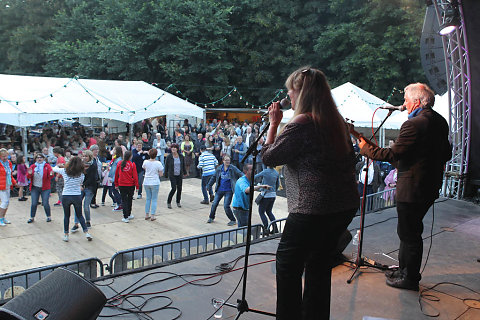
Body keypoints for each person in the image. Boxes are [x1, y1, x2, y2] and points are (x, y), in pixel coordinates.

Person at [262, 67, 359, 319]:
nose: (289, 96)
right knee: (318, 264)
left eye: (291, 91)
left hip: (313, 208)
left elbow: (270, 157)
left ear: (301, 93)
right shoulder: (336, 121)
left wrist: (273, 124)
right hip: (342, 206)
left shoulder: (302, 122)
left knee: (287, 264)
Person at [357, 82, 451, 291]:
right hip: (429, 186)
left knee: (409, 234)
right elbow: (446, 154)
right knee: (410, 231)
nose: (404, 104)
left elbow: (393, 154)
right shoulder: (439, 121)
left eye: (406, 100)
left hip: (412, 188)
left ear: (417, 101)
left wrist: (366, 149)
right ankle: (404, 271)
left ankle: (409, 278)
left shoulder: (414, 124)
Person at [52, 156, 92, 242]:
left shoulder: (64, 171)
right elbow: (80, 183)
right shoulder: (81, 174)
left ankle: (66, 235)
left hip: (66, 195)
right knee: (80, 215)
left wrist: (59, 165)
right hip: (77, 196)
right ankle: (86, 233)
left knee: (66, 216)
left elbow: (54, 169)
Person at [206, 155, 243, 226]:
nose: (227, 161)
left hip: (229, 190)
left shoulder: (233, 168)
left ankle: (232, 220)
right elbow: (214, 177)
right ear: (223, 161)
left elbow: (240, 174)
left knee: (226, 206)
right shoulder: (219, 168)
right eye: (226, 160)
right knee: (214, 204)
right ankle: (211, 217)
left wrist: (246, 180)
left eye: (228, 160)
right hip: (219, 190)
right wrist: (209, 185)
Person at [27, 154, 54, 223]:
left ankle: (48, 216)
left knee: (45, 203)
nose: (39, 159)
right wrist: (29, 174)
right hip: (35, 188)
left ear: (43, 158)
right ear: (35, 159)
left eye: (41, 157)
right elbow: (28, 176)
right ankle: (32, 217)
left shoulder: (47, 166)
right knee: (34, 203)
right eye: (38, 158)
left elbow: (50, 176)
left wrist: (51, 174)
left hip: (45, 188)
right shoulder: (33, 166)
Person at [114, 150, 139, 223]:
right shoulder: (132, 165)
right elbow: (135, 176)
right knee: (129, 199)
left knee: (124, 200)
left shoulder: (119, 163)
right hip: (130, 185)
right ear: (130, 157)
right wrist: (137, 186)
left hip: (122, 185)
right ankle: (128, 214)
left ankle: (125, 216)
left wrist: (116, 184)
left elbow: (116, 175)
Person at [254, 165, 280, 234]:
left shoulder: (265, 171)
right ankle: (275, 228)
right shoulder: (276, 173)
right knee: (269, 211)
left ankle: (266, 229)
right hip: (273, 195)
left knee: (261, 212)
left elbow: (255, 177)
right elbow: (278, 184)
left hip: (266, 195)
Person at [142, 148, 164, 221]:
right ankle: (152, 215)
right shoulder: (158, 163)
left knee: (148, 198)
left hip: (146, 181)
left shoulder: (145, 162)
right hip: (155, 182)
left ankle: (146, 214)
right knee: (154, 199)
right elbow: (161, 174)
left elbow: (145, 169)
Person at [164, 143, 186, 209]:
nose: (173, 149)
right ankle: (169, 202)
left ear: (177, 149)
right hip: (172, 174)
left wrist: (184, 172)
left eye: (174, 147)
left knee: (179, 188)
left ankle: (178, 201)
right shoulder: (169, 157)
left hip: (179, 174)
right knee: (174, 188)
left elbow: (183, 165)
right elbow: (166, 166)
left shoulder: (181, 156)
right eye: (172, 147)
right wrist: (166, 174)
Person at [0, 148, 17, 226]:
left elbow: (10, 175)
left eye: (6, 156)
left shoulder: (9, 163)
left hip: (7, 184)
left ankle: (3, 217)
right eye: (3, 156)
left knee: (7, 202)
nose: (5, 158)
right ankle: (0, 219)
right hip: (1, 185)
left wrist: (14, 183)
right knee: (4, 202)